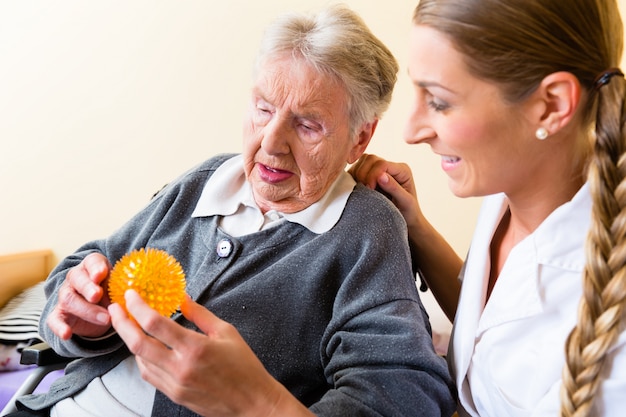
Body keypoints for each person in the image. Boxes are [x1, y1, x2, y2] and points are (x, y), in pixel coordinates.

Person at [10, 5, 456, 417]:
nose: (271, 142)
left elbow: (403, 389)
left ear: (359, 139)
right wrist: (79, 315)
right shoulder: (205, 180)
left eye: (307, 124)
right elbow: (82, 273)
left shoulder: (365, 228)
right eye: (263, 109)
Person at [350, 0, 626, 415]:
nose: (410, 131)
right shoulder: (509, 189)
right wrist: (416, 227)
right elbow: (490, 327)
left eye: (440, 102)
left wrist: (259, 401)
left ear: (551, 104)